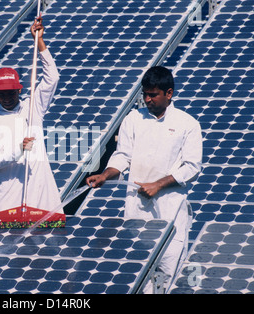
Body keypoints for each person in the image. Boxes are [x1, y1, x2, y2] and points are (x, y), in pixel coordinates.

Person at [86, 66, 203, 293]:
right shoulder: (133, 119)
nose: (147, 99)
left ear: (169, 93)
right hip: (136, 211)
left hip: (170, 210)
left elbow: (192, 167)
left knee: (168, 271)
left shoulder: (187, 124)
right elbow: (122, 156)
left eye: (153, 95)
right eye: (145, 94)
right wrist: (105, 174)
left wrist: (158, 184)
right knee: (139, 271)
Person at [0, 16, 63, 214]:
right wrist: (17, 150)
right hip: (9, 201)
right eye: (2, 94)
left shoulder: (33, 106)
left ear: (19, 90)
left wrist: (39, 41)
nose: (7, 97)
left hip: (43, 197)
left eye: (11, 92)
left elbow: (52, 78)